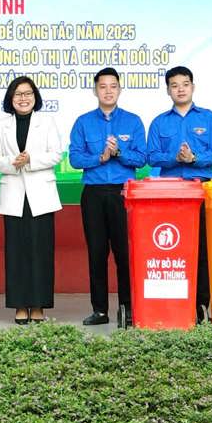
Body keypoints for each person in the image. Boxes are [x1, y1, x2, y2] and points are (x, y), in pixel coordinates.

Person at [68, 67, 146, 326]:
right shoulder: (83, 122)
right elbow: (75, 158)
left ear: (120, 89)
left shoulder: (133, 121)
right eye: (103, 86)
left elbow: (142, 158)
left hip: (124, 194)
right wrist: (99, 157)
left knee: (125, 254)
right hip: (94, 194)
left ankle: (128, 309)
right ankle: (100, 310)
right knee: (97, 253)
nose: (108, 91)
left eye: (113, 86)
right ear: (95, 90)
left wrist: (119, 152)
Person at [147, 66, 212, 318]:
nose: (180, 89)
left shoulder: (209, 118)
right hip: (169, 194)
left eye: (185, 84)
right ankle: (175, 303)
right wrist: (176, 157)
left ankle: (201, 306)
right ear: (168, 90)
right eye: (174, 85)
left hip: (200, 190)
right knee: (174, 248)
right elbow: (152, 156)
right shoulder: (159, 122)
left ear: (193, 87)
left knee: (202, 248)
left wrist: (194, 158)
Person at [0, 76, 63, 324]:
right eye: (18, 94)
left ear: (35, 96)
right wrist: (13, 163)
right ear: (11, 98)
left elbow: (56, 154)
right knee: (17, 253)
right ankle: (20, 305)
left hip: (41, 195)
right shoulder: (1, 125)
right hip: (13, 195)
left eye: (28, 93)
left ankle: (39, 305)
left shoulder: (47, 121)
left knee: (41, 252)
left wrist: (30, 160)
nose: (23, 98)